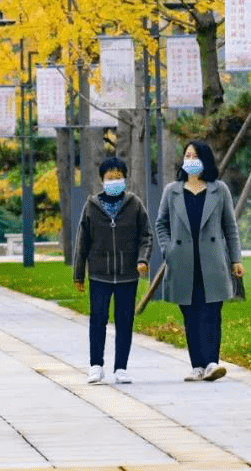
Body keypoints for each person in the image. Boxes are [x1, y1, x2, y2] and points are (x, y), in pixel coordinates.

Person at [155, 140, 244, 382]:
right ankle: (197, 365)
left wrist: (236, 259)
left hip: (212, 262)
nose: (190, 160)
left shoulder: (219, 189)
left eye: (195, 156)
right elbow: (161, 224)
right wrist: (168, 249)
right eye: (187, 155)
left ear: (205, 160)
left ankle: (212, 363)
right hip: (183, 262)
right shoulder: (172, 190)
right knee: (191, 314)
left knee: (212, 312)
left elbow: (230, 227)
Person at [73, 156, 152, 384]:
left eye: (118, 177)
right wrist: (79, 274)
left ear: (125, 179)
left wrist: (143, 260)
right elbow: (82, 242)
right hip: (99, 273)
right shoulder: (92, 206)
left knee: (124, 320)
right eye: (110, 177)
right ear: (102, 180)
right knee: (97, 319)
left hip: (128, 274)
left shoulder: (134, 204)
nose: (114, 181)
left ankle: (121, 367)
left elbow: (146, 235)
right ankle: (96, 365)